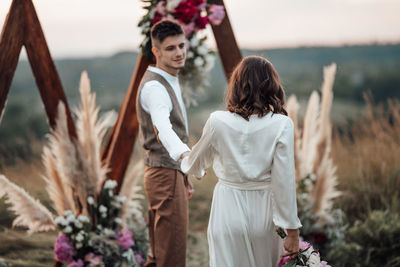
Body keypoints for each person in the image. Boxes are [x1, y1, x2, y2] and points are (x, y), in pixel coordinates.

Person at [180, 56, 302, 267]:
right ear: (272, 85)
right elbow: (284, 181)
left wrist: (192, 165)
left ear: (236, 85)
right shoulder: (283, 124)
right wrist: (292, 230)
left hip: (226, 210)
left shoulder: (217, 121)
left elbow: (193, 163)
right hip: (264, 214)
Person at [136, 20, 194, 267]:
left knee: (160, 253)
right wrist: (186, 157)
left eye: (182, 45)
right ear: (156, 52)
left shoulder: (168, 78)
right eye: (171, 48)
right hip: (166, 173)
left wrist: (184, 175)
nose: (179, 52)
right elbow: (163, 128)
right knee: (171, 254)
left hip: (167, 172)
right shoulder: (155, 88)